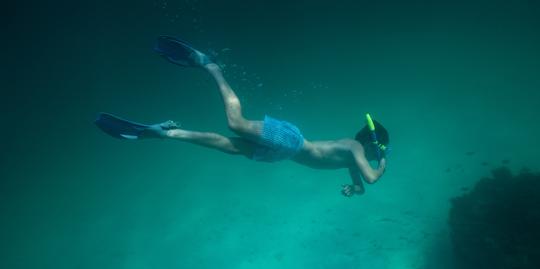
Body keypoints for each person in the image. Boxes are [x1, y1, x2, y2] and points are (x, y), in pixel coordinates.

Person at [95, 36, 389, 197]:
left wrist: (354, 189)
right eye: (380, 149)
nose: (377, 154)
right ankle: (211, 66)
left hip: (283, 154)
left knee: (225, 144)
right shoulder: (356, 147)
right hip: (292, 142)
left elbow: (362, 185)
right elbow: (373, 179)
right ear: (374, 143)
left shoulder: (353, 157)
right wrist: (383, 163)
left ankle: (166, 133)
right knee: (235, 124)